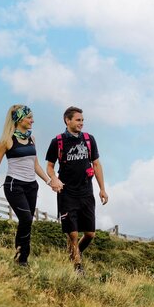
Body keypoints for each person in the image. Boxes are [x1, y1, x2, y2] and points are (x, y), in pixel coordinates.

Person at [0, 104, 62, 266]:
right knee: (26, 219)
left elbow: (36, 165)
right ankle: (21, 259)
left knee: (27, 221)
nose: (32, 121)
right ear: (19, 119)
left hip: (31, 186)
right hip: (14, 185)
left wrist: (50, 182)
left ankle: (21, 258)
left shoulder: (31, 139)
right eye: (29, 117)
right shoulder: (6, 141)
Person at [45, 106, 108, 275]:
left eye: (82, 120)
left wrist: (102, 189)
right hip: (66, 193)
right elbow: (50, 167)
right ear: (68, 120)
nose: (81, 123)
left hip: (86, 192)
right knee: (72, 233)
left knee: (90, 234)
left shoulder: (89, 140)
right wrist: (54, 179)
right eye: (78, 120)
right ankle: (77, 266)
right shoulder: (57, 141)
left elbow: (96, 164)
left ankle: (74, 253)